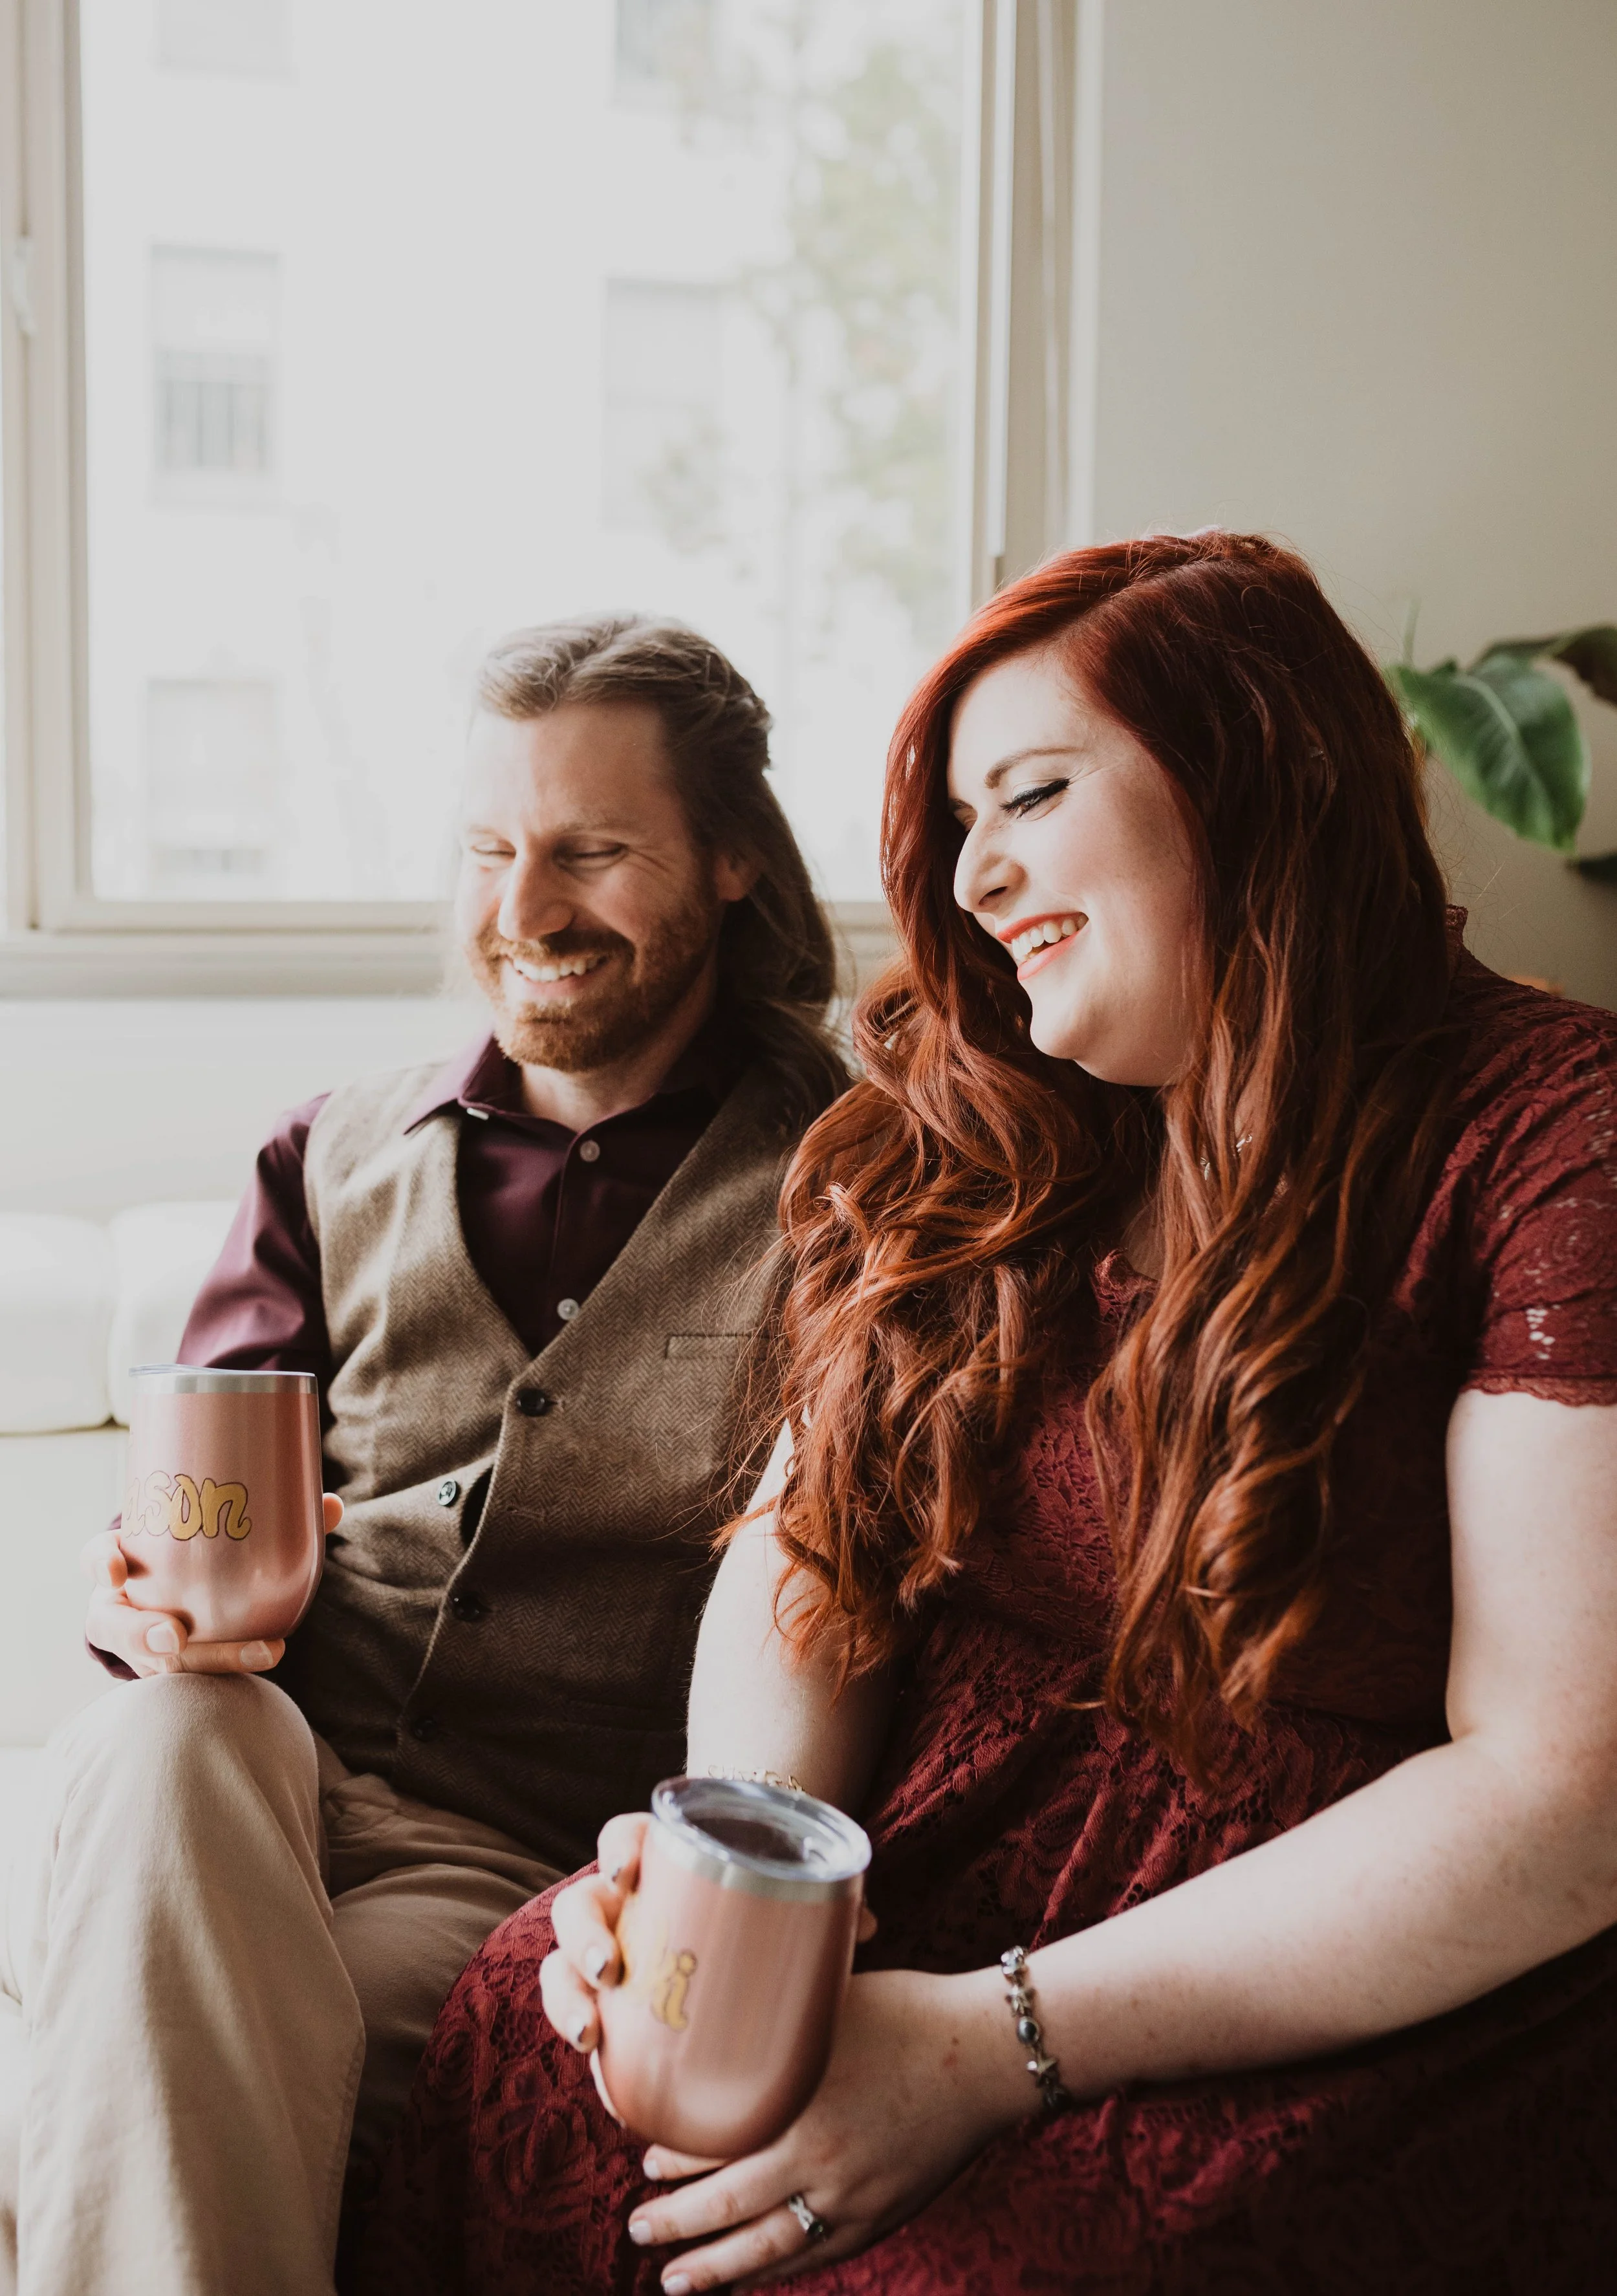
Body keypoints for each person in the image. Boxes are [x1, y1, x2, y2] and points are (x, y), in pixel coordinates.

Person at [362, 534, 1617, 2295]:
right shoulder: (980, 1125)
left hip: (1337, 1972)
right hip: (936, 1878)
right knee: (531, 2037)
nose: (974, 876)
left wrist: (983, 2042)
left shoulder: (1554, 1140)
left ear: (1257, 771)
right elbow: (813, 1544)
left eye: (1028, 792)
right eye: (957, 822)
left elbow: (1564, 1796)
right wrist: (732, 1869)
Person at [0, 615, 846, 2296]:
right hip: (232, 1761)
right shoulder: (330, 1150)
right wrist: (155, 1599)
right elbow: (194, 1504)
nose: (524, 910)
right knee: (177, 1727)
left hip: (500, 1852)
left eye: (591, 851)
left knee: (189, 2088)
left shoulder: (851, 1185)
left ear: (735, 854)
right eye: (486, 849)